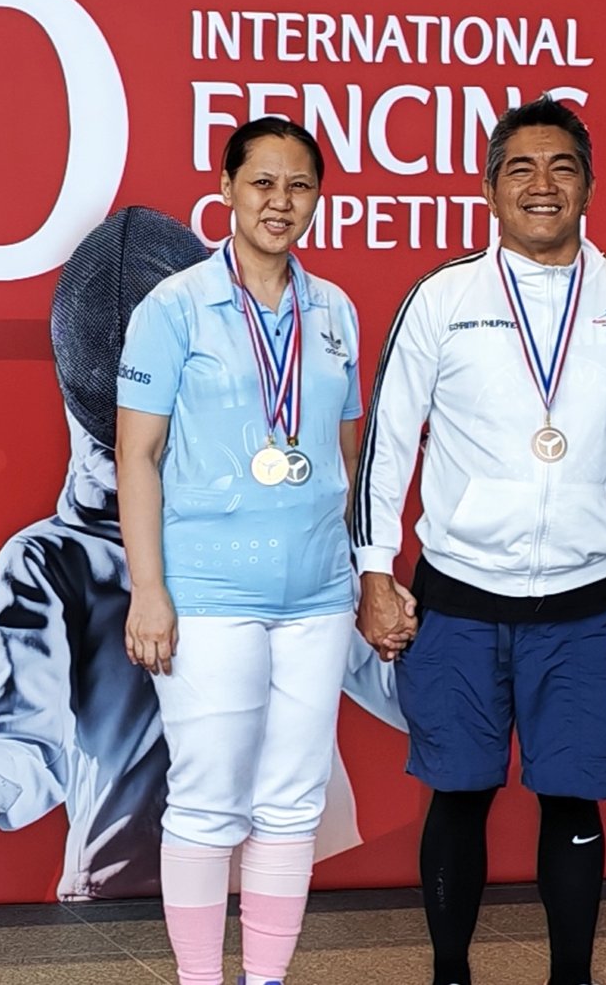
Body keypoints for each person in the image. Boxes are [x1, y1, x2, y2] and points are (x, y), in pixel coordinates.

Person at [0, 206, 403, 901]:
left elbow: (402, 692)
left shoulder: (285, 510)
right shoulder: (53, 564)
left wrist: (469, 624)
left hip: (292, 870)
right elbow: (29, 770)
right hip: (130, 898)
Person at [353, 96, 606, 985]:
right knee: (459, 794)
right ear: (490, 188)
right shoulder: (444, 298)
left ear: (590, 185)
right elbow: (389, 442)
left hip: (586, 605)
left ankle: (571, 979)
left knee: (573, 799)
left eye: (562, 167)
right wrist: (373, 570)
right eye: (521, 169)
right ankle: (450, 976)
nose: (543, 185)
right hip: (459, 598)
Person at [116, 119, 401, 985]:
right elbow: (137, 456)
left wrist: (368, 570)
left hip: (316, 595)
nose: (282, 203)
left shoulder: (335, 312)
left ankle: (267, 979)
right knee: (208, 802)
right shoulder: (173, 309)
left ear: (318, 198)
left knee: (292, 804)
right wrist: (148, 590)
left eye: (299, 186)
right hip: (207, 593)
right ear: (228, 191)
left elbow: (349, 456)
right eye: (263, 183)